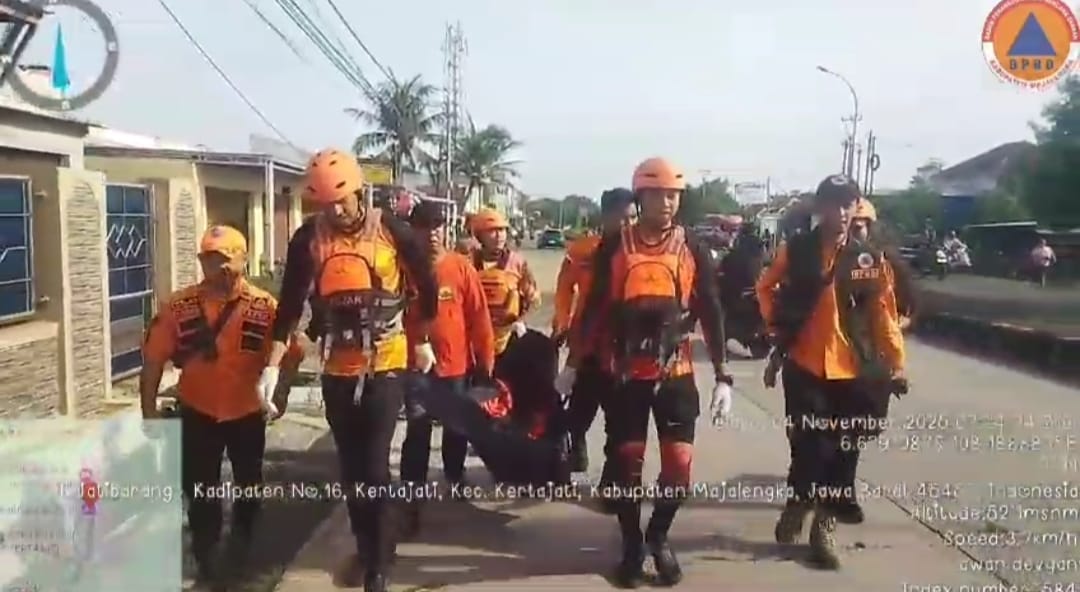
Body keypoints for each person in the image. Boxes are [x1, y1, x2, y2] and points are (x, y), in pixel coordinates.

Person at [260, 149, 438, 592]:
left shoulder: (392, 231)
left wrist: (423, 341)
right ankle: (368, 542)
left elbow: (426, 285)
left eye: (341, 200)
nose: (335, 211)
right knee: (353, 470)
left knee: (375, 468)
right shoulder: (309, 240)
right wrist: (270, 367)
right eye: (324, 204)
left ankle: (378, 565)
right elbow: (289, 308)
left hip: (386, 364)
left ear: (359, 191)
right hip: (338, 368)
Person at [578, 158, 734, 587]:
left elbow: (711, 310)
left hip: (676, 374)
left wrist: (723, 375)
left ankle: (658, 536)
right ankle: (630, 544)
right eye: (658, 194)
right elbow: (593, 310)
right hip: (627, 375)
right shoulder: (615, 246)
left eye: (674, 196)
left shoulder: (692, 248)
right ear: (640, 196)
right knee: (627, 465)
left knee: (678, 467)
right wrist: (574, 366)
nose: (667, 203)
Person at [755, 174, 907, 570]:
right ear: (819, 208)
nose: (840, 213)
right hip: (805, 365)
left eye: (847, 204)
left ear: (856, 207)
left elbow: (883, 314)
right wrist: (777, 325)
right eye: (832, 204)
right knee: (809, 446)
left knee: (845, 451)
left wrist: (896, 362)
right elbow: (765, 287)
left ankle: (824, 528)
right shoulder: (798, 249)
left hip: (854, 367)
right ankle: (799, 500)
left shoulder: (868, 260)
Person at [139, 225, 304, 588]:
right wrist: (148, 411)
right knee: (200, 489)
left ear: (244, 260)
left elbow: (291, 353)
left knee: (249, 486)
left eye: (226, 260)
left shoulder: (265, 307)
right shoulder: (179, 307)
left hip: (245, 412)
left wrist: (280, 396)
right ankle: (207, 556)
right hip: (198, 410)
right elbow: (153, 360)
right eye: (210, 261)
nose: (218, 269)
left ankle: (241, 546)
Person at [400, 200, 496, 536]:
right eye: (426, 227)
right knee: (417, 432)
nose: (433, 234)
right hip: (415, 369)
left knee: (456, 428)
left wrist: (485, 363)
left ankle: (454, 478)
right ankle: (412, 498)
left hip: (454, 366)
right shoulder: (401, 268)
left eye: (439, 226)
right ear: (414, 230)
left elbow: (479, 317)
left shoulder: (460, 267)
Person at [552, 187, 637, 474]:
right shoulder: (581, 250)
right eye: (622, 218)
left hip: (622, 347)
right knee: (576, 412)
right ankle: (571, 455)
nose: (628, 225)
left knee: (620, 421)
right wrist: (562, 323)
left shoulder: (639, 252)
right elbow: (564, 290)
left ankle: (612, 482)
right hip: (585, 342)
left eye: (633, 218)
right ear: (606, 216)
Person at [470, 208, 541, 365]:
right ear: (479, 235)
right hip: (474, 339)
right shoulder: (468, 263)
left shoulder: (517, 263)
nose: (499, 236)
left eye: (502, 230)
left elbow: (534, 299)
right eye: (492, 231)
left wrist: (519, 320)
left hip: (508, 337)